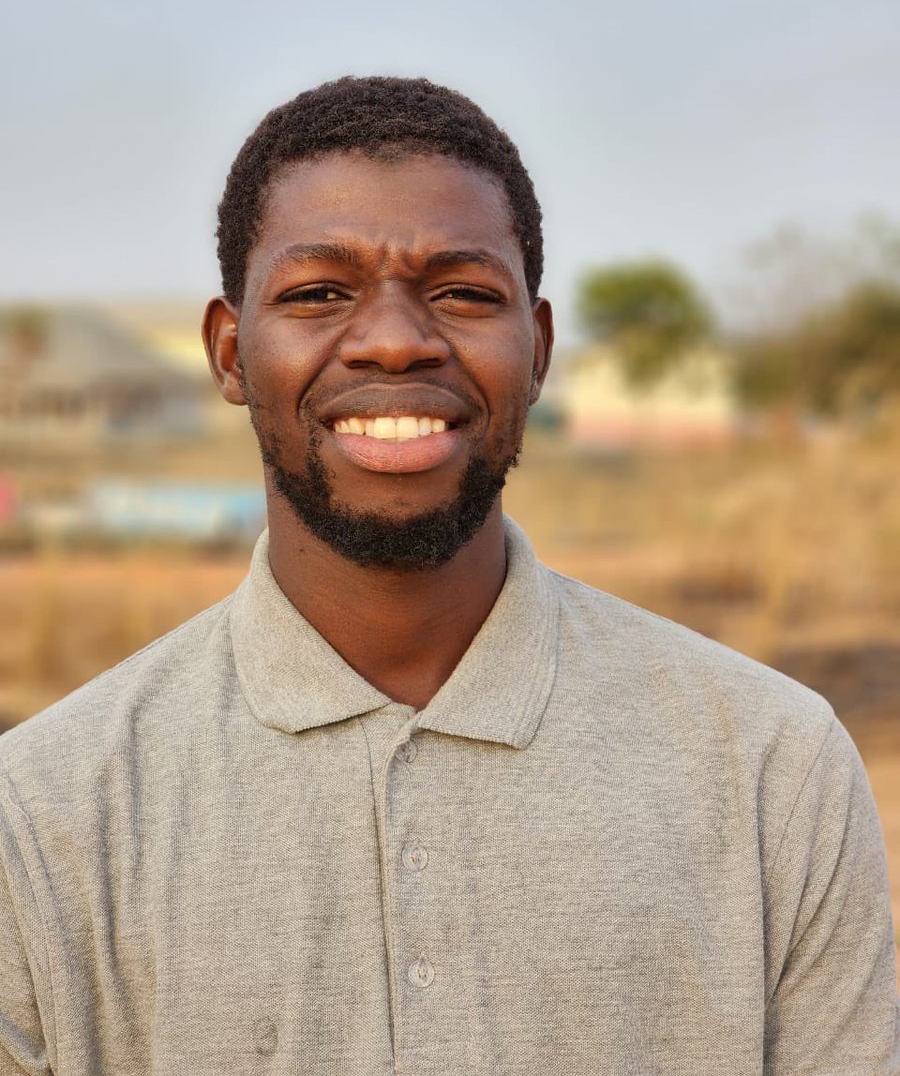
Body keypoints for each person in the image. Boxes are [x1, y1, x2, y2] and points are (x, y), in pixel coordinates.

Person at [0, 76, 897, 1076]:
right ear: (230, 353)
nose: (395, 340)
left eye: (464, 293)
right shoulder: (43, 815)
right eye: (319, 293)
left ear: (538, 350)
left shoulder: (773, 768)